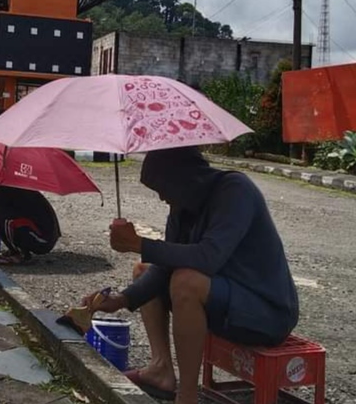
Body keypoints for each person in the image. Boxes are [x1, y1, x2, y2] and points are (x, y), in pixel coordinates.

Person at [79, 146, 299, 403]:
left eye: (163, 188)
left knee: (186, 282)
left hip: (265, 311)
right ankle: (160, 369)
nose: (162, 197)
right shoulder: (183, 206)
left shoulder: (236, 191)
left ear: (185, 178)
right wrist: (120, 300)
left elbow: (209, 258)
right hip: (226, 301)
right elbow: (164, 266)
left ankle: (187, 396)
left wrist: (139, 244)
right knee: (144, 271)